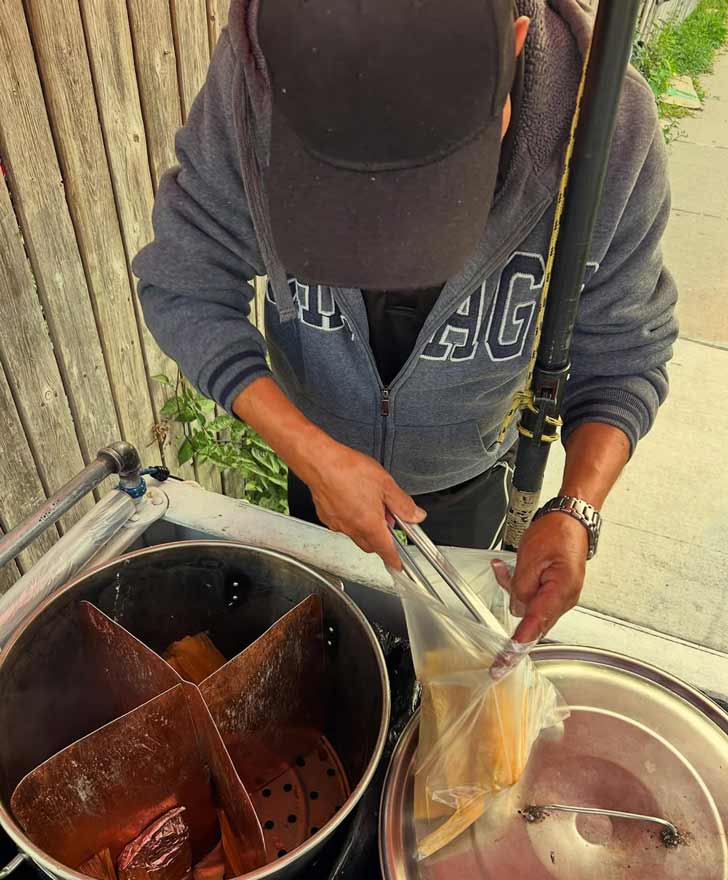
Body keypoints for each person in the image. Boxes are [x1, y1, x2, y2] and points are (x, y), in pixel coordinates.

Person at [133, 0, 678, 642]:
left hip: (471, 477)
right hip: (317, 471)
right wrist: (310, 453)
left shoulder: (610, 129)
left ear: (511, 49)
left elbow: (624, 355)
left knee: (442, 660)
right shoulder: (256, 80)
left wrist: (575, 507)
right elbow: (184, 281)